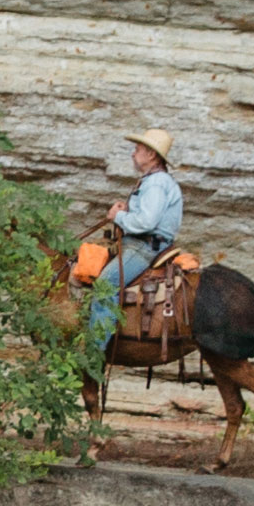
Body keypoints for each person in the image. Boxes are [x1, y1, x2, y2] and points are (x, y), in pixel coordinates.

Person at [82, 125, 182, 359]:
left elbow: (147, 222)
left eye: (138, 149)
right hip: (144, 243)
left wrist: (118, 217)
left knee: (106, 285)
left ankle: (93, 355)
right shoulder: (153, 181)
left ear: (152, 155)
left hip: (144, 246)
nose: (133, 153)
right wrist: (127, 210)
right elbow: (147, 214)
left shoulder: (157, 183)